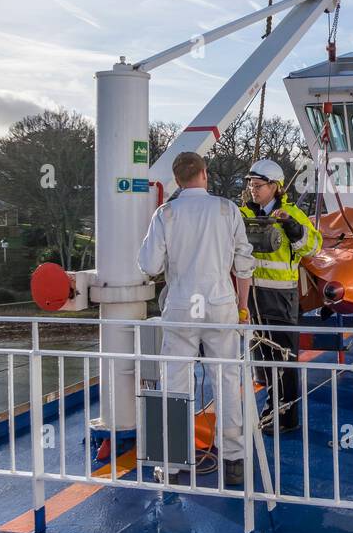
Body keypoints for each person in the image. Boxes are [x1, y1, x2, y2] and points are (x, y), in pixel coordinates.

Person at [137, 151, 253, 486]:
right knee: (227, 379)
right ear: (204, 173)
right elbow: (243, 263)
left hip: (182, 306)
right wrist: (242, 307)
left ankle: (171, 464)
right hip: (220, 305)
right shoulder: (226, 209)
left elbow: (149, 266)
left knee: (174, 381)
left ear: (177, 179)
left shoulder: (166, 214)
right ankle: (233, 460)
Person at [240, 159, 322, 433]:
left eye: (259, 185)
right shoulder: (243, 214)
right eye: (251, 184)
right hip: (252, 299)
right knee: (263, 361)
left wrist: (293, 229)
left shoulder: (291, 214)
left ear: (275, 187)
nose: (254, 189)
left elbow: (313, 248)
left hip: (281, 299)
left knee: (283, 361)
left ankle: (285, 417)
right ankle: (272, 410)